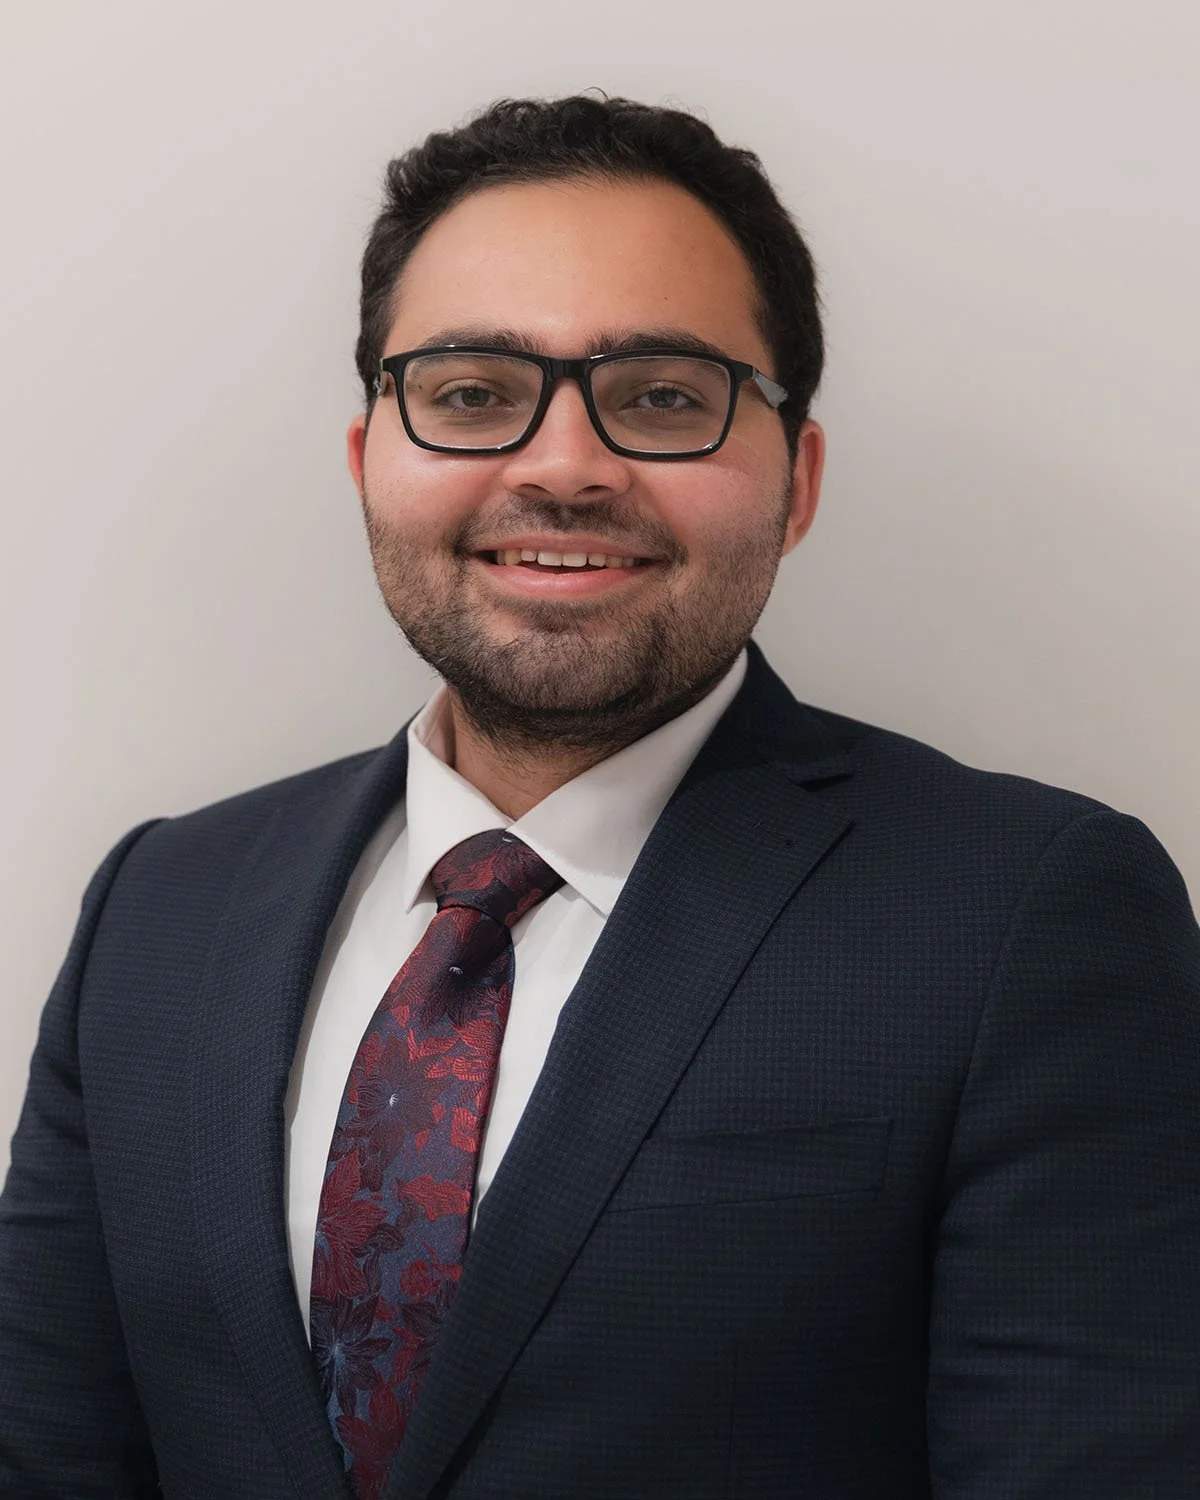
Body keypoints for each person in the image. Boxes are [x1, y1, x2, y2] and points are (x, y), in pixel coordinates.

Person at [1, 92, 1198, 1500]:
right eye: (468, 393)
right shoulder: (161, 904)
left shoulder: (1029, 913)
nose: (563, 464)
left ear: (797, 482)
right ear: (366, 461)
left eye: (664, 398)